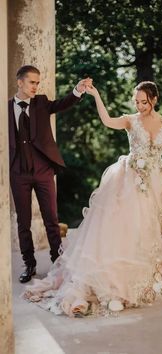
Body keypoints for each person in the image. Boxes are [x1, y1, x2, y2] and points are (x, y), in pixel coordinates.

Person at [24, 81, 162, 316]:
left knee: (151, 228)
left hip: (157, 182)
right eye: (136, 101)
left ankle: (151, 274)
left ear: (154, 100)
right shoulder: (131, 120)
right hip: (130, 180)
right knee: (126, 229)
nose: (139, 106)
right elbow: (107, 121)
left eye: (144, 102)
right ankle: (119, 281)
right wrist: (96, 95)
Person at [9, 65, 92, 283]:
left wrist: (78, 89)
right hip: (18, 173)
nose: (36, 86)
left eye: (38, 82)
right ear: (20, 82)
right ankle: (29, 264)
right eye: (32, 82)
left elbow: (62, 103)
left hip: (44, 171)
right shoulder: (6, 108)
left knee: (51, 220)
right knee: (23, 222)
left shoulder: (41, 103)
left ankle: (58, 261)